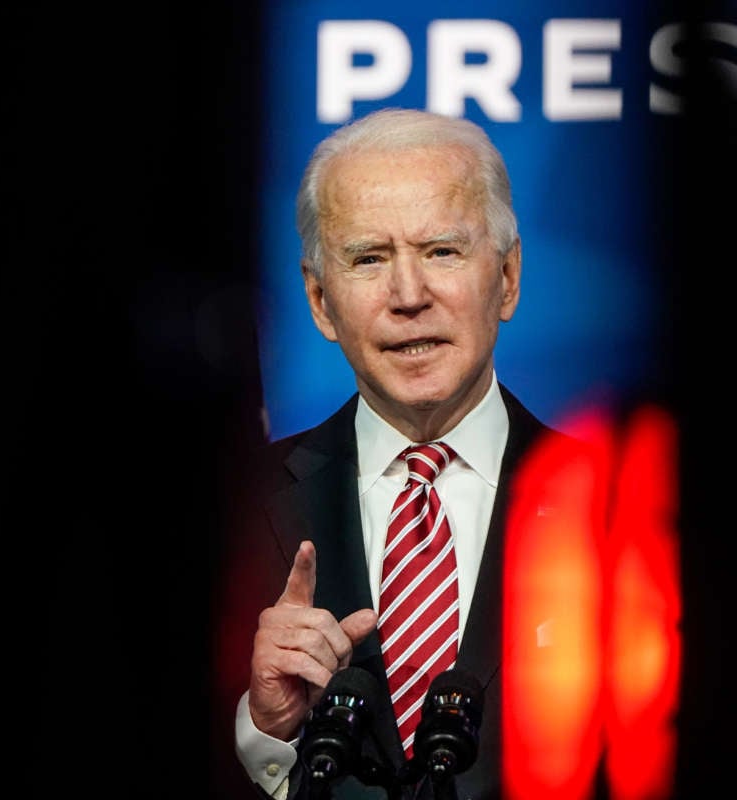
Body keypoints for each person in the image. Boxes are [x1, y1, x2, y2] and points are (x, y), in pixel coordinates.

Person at [218, 107, 577, 800]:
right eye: (369, 259)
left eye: (442, 251)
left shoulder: (610, 506)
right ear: (320, 302)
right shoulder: (233, 512)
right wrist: (264, 732)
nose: (409, 296)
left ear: (506, 278)